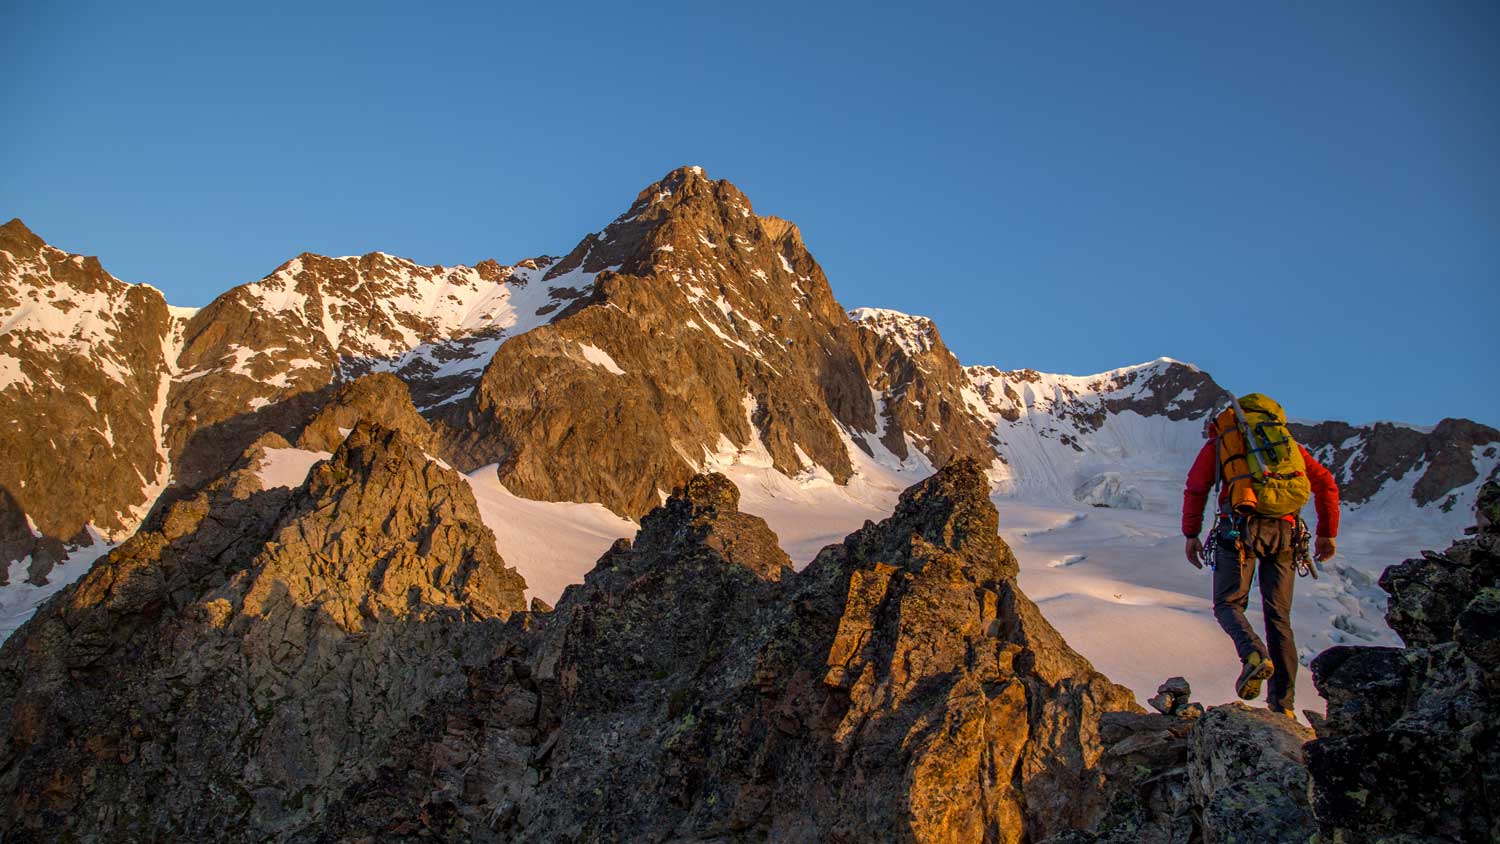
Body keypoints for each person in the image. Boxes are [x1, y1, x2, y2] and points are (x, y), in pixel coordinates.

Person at [1181, 414, 1339, 717]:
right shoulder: (1286, 446)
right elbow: (1325, 484)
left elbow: (1197, 488)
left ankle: (1252, 652)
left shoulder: (1223, 443)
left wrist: (1191, 534)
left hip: (1238, 530)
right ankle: (1283, 706)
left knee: (1228, 604)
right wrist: (1327, 534)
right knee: (1279, 618)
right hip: (1285, 534)